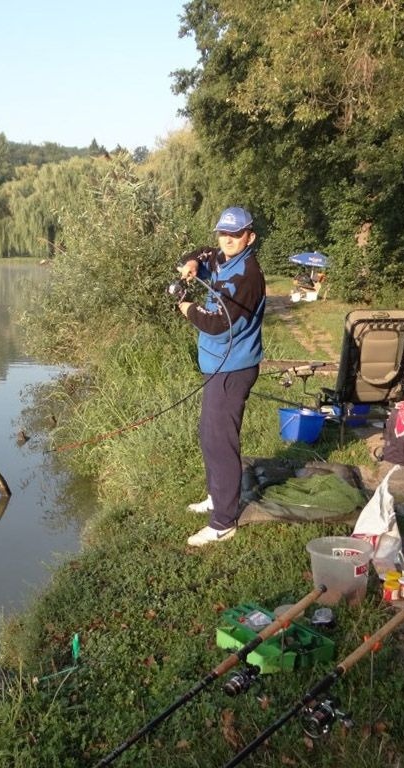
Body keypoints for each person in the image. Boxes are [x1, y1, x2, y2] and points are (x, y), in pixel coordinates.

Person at [176, 206, 266, 546]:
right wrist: (192, 264)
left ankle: (224, 522)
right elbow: (200, 252)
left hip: (234, 368)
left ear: (250, 237)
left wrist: (186, 308)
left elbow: (217, 324)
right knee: (208, 435)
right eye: (223, 233)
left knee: (221, 441)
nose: (227, 239)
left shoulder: (247, 276)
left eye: (235, 234)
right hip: (217, 366)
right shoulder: (222, 257)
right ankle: (218, 496)